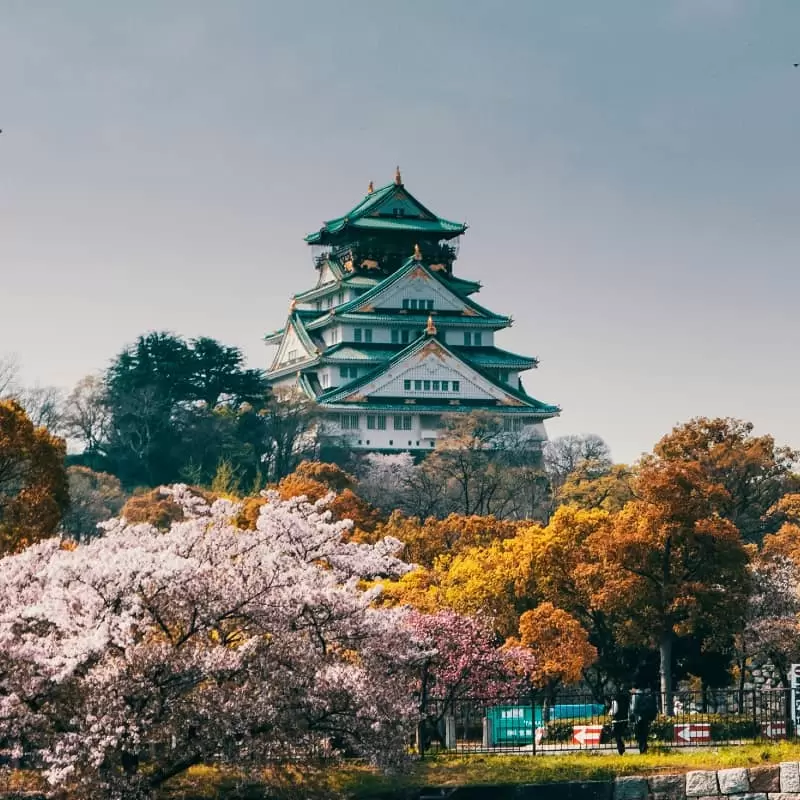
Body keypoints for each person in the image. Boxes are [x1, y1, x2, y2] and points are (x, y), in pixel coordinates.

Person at [630, 686, 658, 753]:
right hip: (646, 715)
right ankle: (644, 747)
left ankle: (642, 749)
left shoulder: (636, 695)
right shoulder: (647, 694)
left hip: (639, 716)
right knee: (644, 733)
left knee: (639, 734)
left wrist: (633, 715)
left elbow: (634, 707)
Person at [609, 688, 630, 754]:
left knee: (617, 735)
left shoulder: (615, 700)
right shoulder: (626, 699)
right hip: (625, 719)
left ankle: (621, 749)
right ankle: (622, 748)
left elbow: (614, 710)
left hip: (617, 720)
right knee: (621, 734)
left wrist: (610, 713)